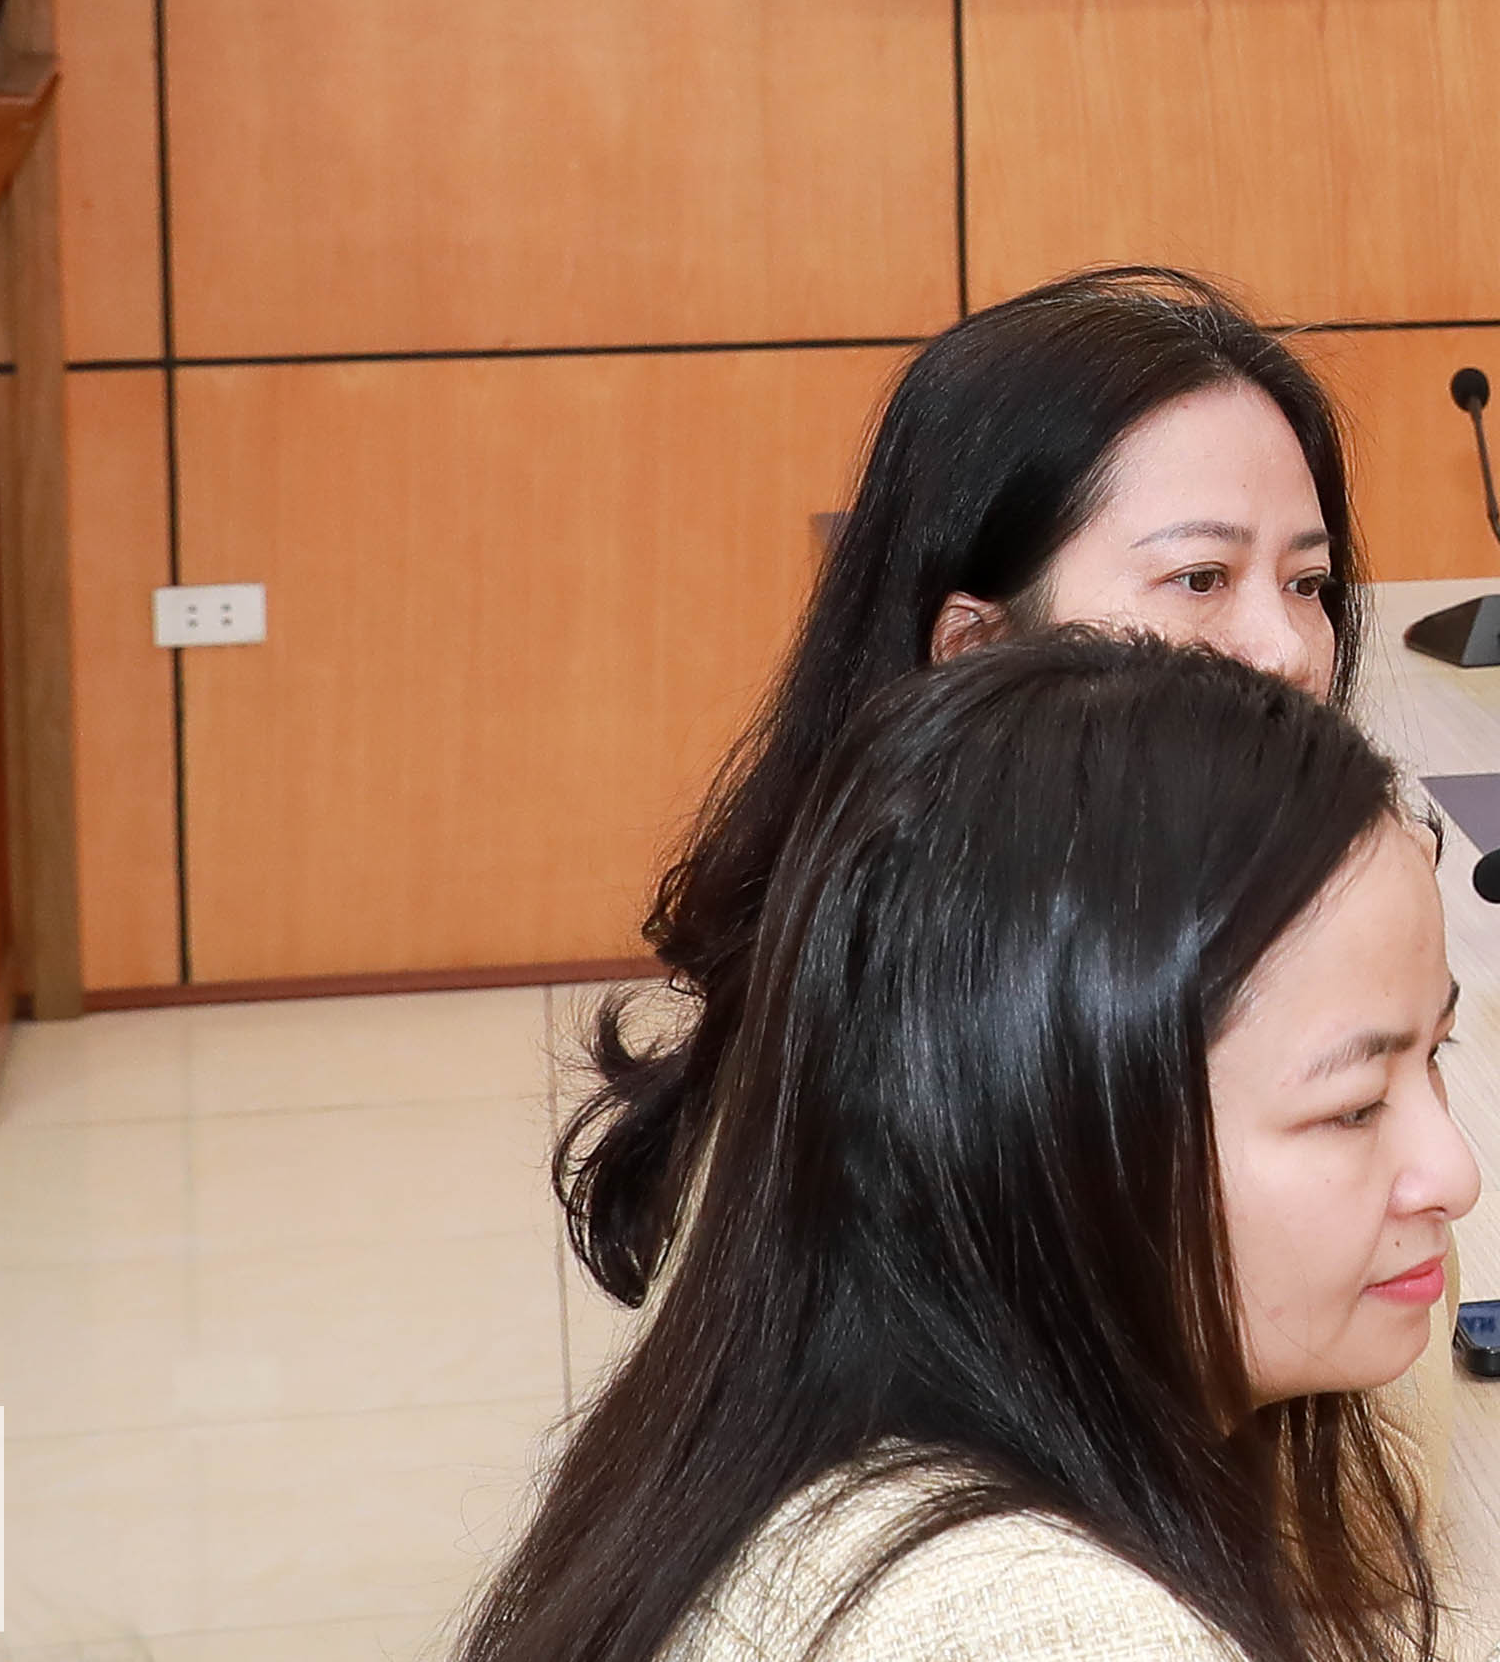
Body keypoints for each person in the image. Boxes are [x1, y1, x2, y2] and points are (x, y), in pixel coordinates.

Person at [463, 634, 1500, 1662]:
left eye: (1434, 1058)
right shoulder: (1016, 1624)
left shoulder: (877, 1416)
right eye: (1351, 1103)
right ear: (1055, 1135)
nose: (1452, 1172)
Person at [565, 268, 1369, 1302]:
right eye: (1200, 578)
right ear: (975, 646)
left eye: (1307, 582)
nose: (1287, 649)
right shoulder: (927, 1070)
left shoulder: (1148, 921)